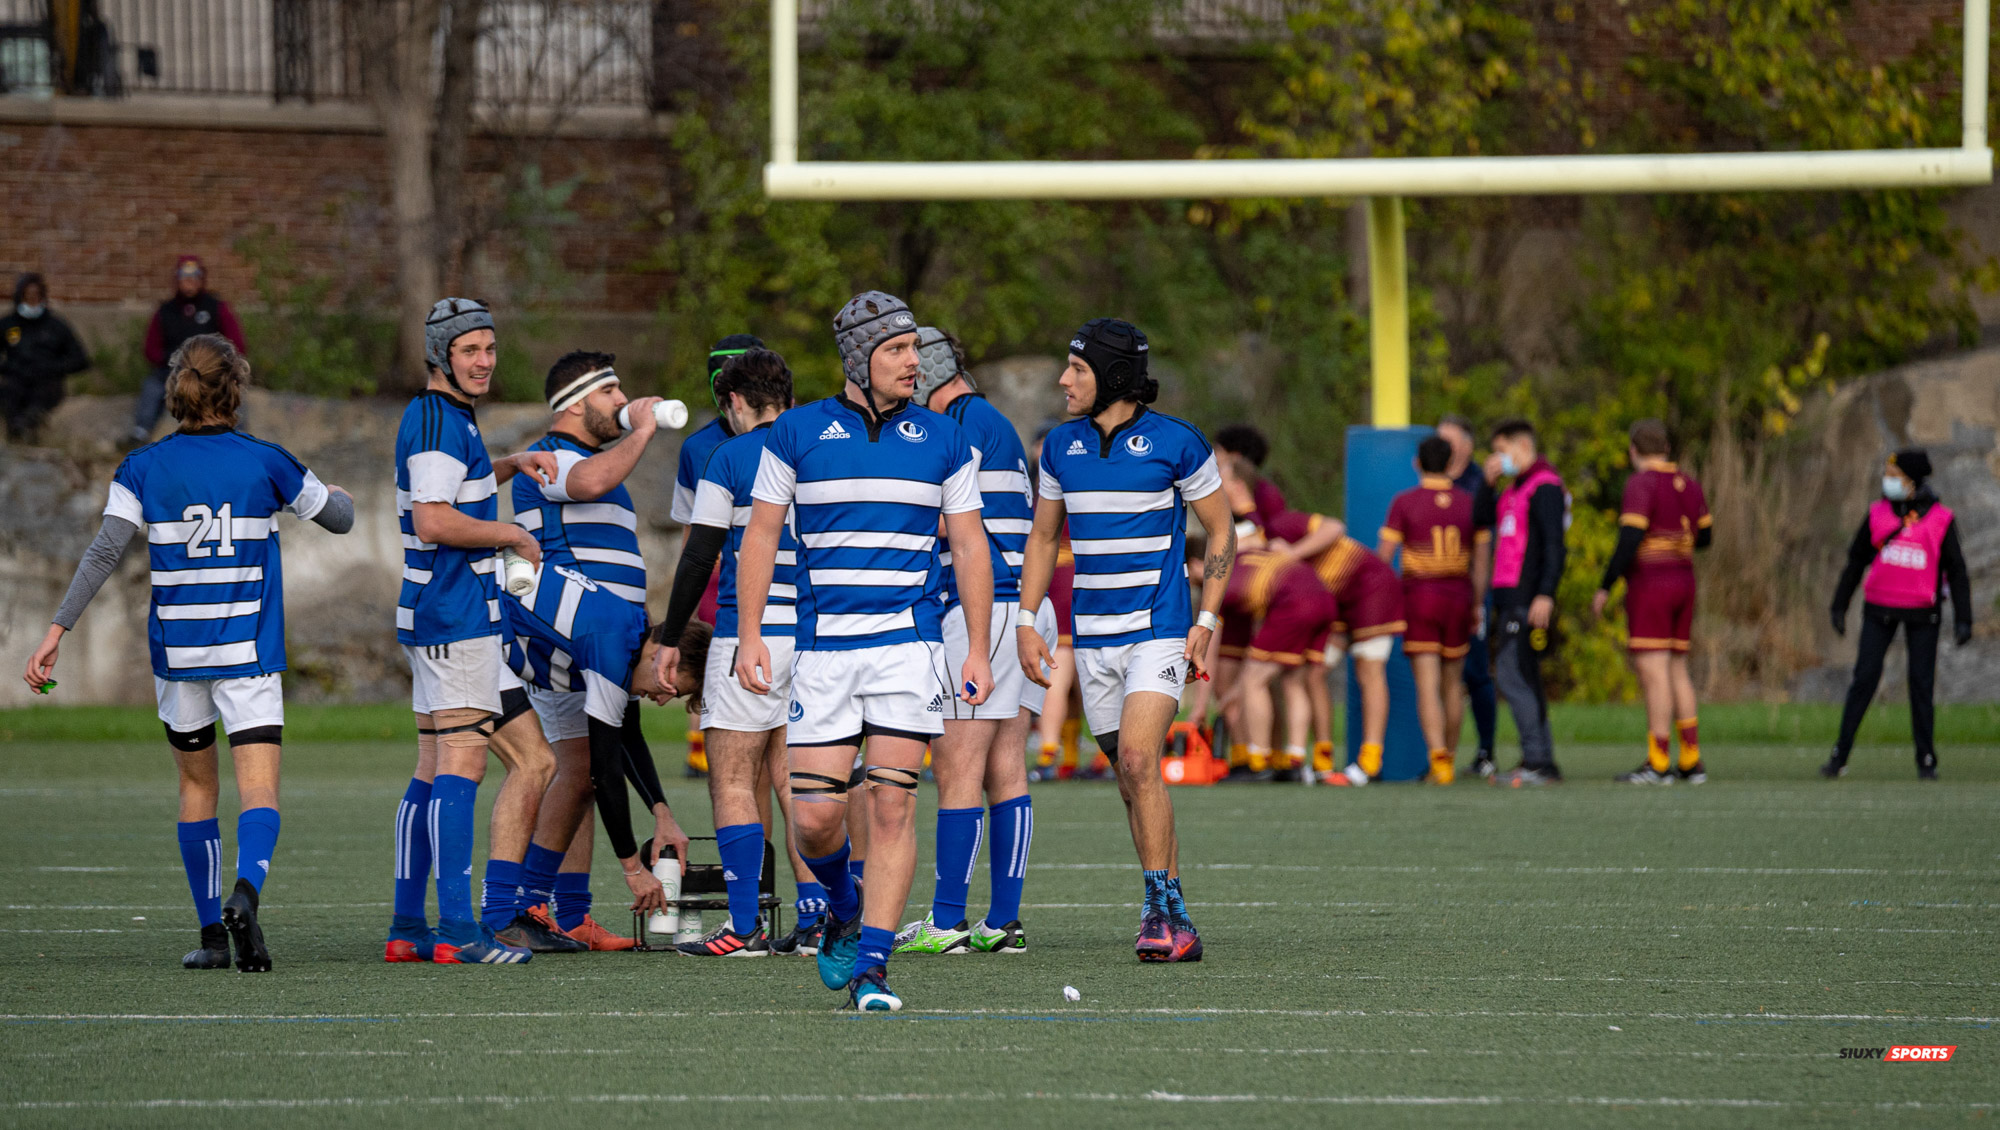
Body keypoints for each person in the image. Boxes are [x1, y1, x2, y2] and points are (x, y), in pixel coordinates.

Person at [22, 335, 353, 971]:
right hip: (247, 654)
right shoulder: (268, 461)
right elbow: (339, 520)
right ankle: (247, 894)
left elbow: (103, 553)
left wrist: (57, 630)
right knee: (259, 791)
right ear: (236, 390)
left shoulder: (142, 469)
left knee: (196, 789)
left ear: (175, 391)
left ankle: (210, 939)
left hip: (180, 658)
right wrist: (332, 494)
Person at [731, 290, 994, 1011]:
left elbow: (969, 544)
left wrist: (975, 648)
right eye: (898, 350)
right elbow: (759, 535)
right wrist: (751, 633)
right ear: (858, 358)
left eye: (915, 347)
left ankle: (873, 968)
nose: (915, 361)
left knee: (891, 808)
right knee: (814, 818)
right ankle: (845, 905)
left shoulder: (945, 439)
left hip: (907, 650)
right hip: (821, 653)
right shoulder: (796, 435)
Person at [1017, 317, 1235, 963]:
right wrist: (1025, 622)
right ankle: (1166, 907)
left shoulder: (1179, 443)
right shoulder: (1059, 447)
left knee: (1141, 762)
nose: (1063, 380)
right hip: (1092, 639)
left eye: (1077, 369)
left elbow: (1222, 531)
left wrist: (1207, 620)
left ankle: (1166, 913)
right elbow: (1043, 538)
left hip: (1158, 630)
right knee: (1128, 781)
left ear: (1113, 376)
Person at [382, 297, 561, 965]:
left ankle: (408, 926)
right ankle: (457, 929)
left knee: (441, 767)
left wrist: (506, 466)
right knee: (459, 766)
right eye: (470, 350)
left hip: (445, 615)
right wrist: (511, 531)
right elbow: (432, 519)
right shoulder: (435, 423)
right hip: (455, 616)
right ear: (440, 356)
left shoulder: (445, 417)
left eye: (489, 347)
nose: (484, 360)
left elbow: (451, 494)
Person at [507, 350, 680, 951]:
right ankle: (528, 905)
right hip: (565, 636)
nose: (623, 402)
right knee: (580, 767)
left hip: (600, 643)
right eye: (613, 392)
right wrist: (646, 429)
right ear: (577, 403)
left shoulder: (600, 463)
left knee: (584, 771)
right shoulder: (556, 454)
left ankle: (571, 912)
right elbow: (590, 481)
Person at [653, 347, 822, 957]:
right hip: (818, 636)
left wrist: (670, 638)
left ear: (735, 403)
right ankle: (817, 920)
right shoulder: (822, 449)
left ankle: (745, 926)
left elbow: (700, 555)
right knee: (802, 783)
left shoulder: (729, 455)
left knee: (730, 780)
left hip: (749, 633)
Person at [895, 327, 1040, 957]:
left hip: (983, 607)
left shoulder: (957, 427)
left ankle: (948, 920)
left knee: (957, 764)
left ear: (926, 371)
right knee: (1005, 765)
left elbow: (939, 523)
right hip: (1016, 606)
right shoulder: (987, 419)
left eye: (905, 364)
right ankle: (1000, 922)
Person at [503, 558, 708, 936]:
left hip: (485, 622)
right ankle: (509, 911)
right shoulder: (613, 650)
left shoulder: (635, 634)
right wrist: (633, 869)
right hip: (471, 624)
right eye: (671, 689)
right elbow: (606, 771)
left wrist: (662, 814)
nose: (663, 701)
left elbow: (629, 737)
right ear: (660, 656)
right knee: (522, 765)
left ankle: (522, 908)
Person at [1823, 448, 1974, 780]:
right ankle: (1840, 755)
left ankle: (1926, 759)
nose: (1887, 481)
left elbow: (1957, 570)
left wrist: (1964, 618)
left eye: (1895, 476)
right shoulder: (1878, 513)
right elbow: (1856, 561)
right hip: (1880, 609)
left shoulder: (1940, 519)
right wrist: (1839, 604)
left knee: (1920, 685)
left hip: (1923, 612)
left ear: (1912, 481)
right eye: (1887, 475)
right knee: (1864, 679)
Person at [1594, 420, 1713, 785]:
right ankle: (1690, 760)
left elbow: (1630, 537)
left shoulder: (1641, 483)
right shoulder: (1689, 483)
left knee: (1653, 671)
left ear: (1634, 450)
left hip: (1652, 584)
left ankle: (1658, 762)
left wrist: (1606, 584)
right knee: (1677, 669)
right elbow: (1705, 536)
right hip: (1684, 580)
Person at [673, 334, 765, 779]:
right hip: (718, 575)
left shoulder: (791, 435)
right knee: (711, 657)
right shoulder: (698, 447)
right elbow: (692, 528)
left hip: (780, 582)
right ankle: (699, 749)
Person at [1380, 434, 1488, 785]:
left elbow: (1383, 558)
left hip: (1420, 596)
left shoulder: (1404, 502)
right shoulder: (1470, 502)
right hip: (1459, 594)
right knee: (1453, 684)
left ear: (1417, 464)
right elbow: (1482, 561)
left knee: (1426, 684)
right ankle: (1451, 759)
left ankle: (1438, 763)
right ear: (1452, 464)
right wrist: (1476, 602)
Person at [1484, 418, 1568, 786]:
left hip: (1526, 596)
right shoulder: (1511, 489)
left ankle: (1538, 760)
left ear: (1521, 446)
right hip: (1506, 595)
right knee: (1522, 673)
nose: (1498, 458)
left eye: (1501, 451)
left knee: (1512, 672)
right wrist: (1487, 486)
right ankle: (1538, 758)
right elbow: (1480, 523)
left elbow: (1554, 545)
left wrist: (1545, 593)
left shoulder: (1545, 487)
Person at [1436, 414, 1500, 777]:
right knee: (1435, 673)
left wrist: (1479, 597)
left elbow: (1484, 548)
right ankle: (1438, 754)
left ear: (1467, 444)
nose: (1443, 446)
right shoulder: (1433, 480)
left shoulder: (1480, 484)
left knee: (1474, 672)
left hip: (1470, 592)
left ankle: (1486, 752)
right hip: (1436, 594)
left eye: (1450, 439)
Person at [130, 256, 247, 445]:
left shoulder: (217, 307)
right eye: (184, 276)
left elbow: (238, 345)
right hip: (173, 371)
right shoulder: (165, 311)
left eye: (194, 276)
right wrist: (172, 361)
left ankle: (238, 433)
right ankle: (141, 430)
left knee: (234, 385)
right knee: (152, 385)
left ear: (202, 278)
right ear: (177, 279)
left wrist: (216, 362)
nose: (189, 281)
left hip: (212, 370)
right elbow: (150, 350)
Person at [0, 272, 90, 441]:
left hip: (47, 380)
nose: (32, 301)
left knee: (42, 397)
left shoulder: (55, 326)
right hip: (16, 379)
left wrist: (53, 367)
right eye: (28, 296)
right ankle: (16, 430)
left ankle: (31, 423)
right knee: (10, 393)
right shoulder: (8, 324)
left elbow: (80, 359)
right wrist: (9, 367)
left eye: (36, 296)